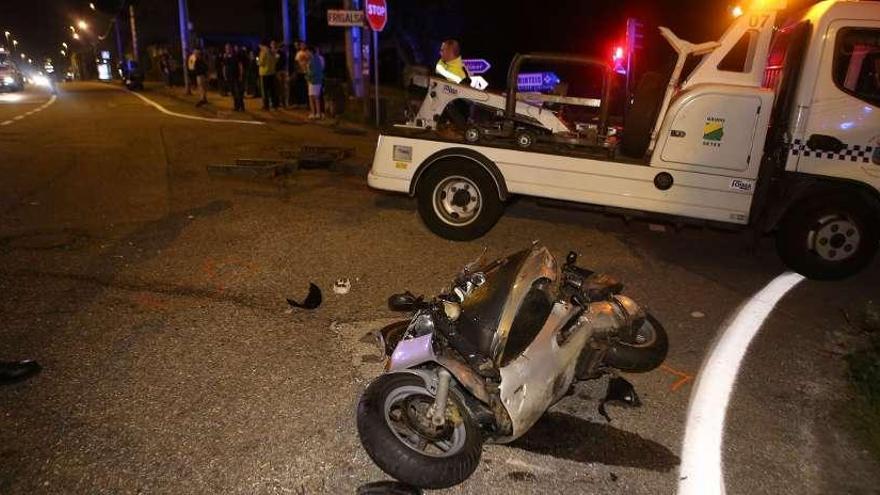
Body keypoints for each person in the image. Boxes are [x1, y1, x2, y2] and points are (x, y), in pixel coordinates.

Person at [223, 43, 246, 112]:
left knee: (238, 92)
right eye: (226, 48)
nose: (227, 50)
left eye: (228, 48)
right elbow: (224, 66)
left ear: (231, 48)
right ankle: (236, 106)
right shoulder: (226, 57)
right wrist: (224, 75)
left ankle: (241, 106)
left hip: (236, 76)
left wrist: (241, 75)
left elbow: (240, 65)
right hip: (229, 76)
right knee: (233, 92)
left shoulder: (236, 56)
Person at [305, 45, 325, 119]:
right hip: (317, 80)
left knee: (313, 97)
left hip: (314, 80)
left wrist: (307, 76)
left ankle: (314, 113)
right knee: (315, 97)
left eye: (307, 52)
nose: (306, 53)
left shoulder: (313, 59)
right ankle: (317, 113)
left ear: (310, 52)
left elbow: (313, 71)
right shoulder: (316, 59)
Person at [258, 40, 278, 110]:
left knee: (264, 90)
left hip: (264, 73)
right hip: (272, 72)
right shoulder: (272, 52)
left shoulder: (263, 52)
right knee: (272, 90)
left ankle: (266, 105)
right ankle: (274, 104)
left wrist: (257, 61)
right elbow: (275, 61)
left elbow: (261, 63)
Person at [293, 40, 310, 107]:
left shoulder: (308, 53)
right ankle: (300, 102)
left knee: (307, 88)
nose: (302, 46)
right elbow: (296, 62)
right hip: (300, 72)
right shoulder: (298, 53)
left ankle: (308, 103)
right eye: (301, 45)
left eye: (304, 45)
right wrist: (296, 71)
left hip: (307, 72)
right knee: (300, 87)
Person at [275, 42, 291, 108]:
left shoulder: (284, 53)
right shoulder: (279, 53)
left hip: (282, 71)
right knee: (281, 87)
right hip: (280, 71)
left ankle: (283, 102)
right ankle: (282, 102)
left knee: (283, 87)